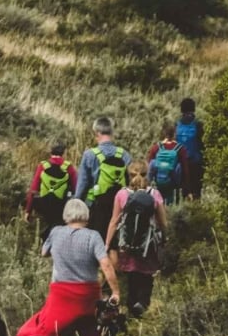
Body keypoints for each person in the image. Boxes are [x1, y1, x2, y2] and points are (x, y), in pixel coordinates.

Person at [15, 199, 121, 336]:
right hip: (88, 297)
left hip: (61, 297)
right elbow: (106, 265)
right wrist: (115, 292)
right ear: (86, 217)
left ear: (66, 216)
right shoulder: (93, 236)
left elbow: (44, 252)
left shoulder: (56, 232)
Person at [105, 160, 168, 318]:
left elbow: (114, 221)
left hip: (127, 244)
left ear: (129, 175)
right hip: (148, 244)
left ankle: (132, 307)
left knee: (132, 274)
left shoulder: (121, 194)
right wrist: (164, 238)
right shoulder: (154, 194)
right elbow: (162, 222)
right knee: (146, 275)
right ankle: (143, 303)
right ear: (147, 174)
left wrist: (107, 244)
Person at [77, 116, 131, 241]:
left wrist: (76, 203)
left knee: (93, 240)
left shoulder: (89, 155)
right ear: (112, 132)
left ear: (97, 133)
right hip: (119, 206)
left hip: (95, 205)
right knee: (114, 242)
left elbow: (82, 185)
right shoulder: (124, 154)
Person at [23, 142, 78, 235]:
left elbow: (33, 189)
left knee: (43, 231)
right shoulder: (68, 167)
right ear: (64, 153)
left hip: (43, 205)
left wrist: (28, 210)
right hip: (61, 206)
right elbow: (75, 188)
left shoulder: (43, 165)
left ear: (51, 153)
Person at [146, 122, 190, 207]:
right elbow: (185, 170)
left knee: (158, 205)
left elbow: (149, 166)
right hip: (173, 184)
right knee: (172, 206)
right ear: (174, 133)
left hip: (158, 183)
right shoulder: (180, 149)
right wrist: (187, 190)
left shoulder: (156, 147)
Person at [176, 98, 205, 201]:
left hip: (181, 162)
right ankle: (196, 209)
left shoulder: (177, 125)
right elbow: (203, 143)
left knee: (184, 189)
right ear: (193, 109)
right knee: (196, 189)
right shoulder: (198, 124)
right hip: (196, 162)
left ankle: (185, 207)